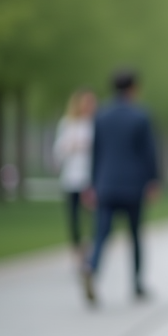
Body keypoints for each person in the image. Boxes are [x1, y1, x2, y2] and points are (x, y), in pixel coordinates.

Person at [82, 69, 160, 305]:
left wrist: (92, 183)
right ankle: (136, 284)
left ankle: (92, 267)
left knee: (102, 233)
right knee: (135, 235)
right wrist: (153, 180)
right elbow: (149, 153)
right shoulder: (141, 116)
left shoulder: (101, 116)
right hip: (133, 185)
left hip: (106, 183)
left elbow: (96, 153)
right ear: (134, 88)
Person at [53, 89, 96, 268]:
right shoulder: (67, 124)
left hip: (90, 179)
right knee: (74, 219)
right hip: (72, 178)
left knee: (93, 218)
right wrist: (71, 146)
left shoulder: (95, 124)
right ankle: (77, 253)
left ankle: (90, 250)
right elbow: (58, 151)